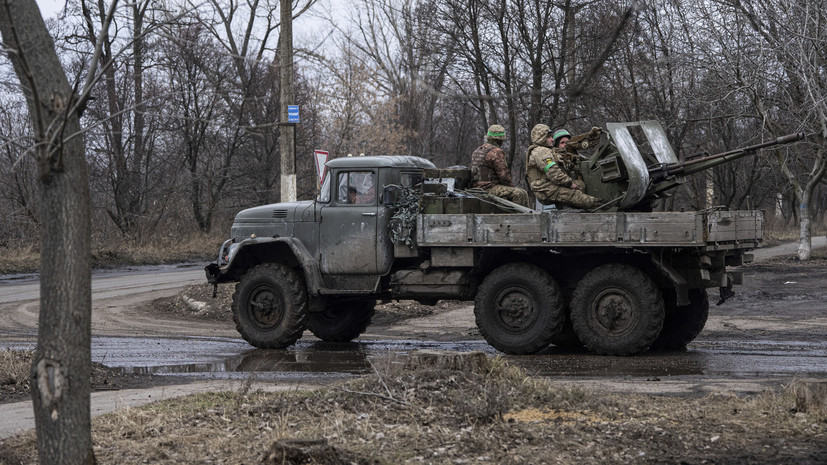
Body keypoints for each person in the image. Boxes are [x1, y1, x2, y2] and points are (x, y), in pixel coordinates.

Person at [525, 124, 602, 210]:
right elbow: (553, 172)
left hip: (551, 185)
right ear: (542, 138)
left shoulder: (548, 151)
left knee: (580, 186)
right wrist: (569, 183)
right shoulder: (541, 152)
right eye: (549, 137)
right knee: (578, 197)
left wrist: (590, 136)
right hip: (546, 188)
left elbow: (575, 144)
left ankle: (576, 207)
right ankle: (602, 203)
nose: (552, 139)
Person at [469, 124, 530, 207]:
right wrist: (512, 188)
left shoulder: (477, 150)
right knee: (520, 193)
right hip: (489, 189)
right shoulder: (496, 152)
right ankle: (518, 218)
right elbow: (504, 176)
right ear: (501, 140)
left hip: (476, 189)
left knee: (520, 192)